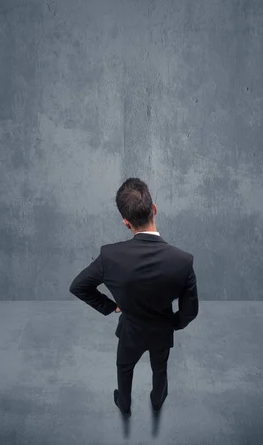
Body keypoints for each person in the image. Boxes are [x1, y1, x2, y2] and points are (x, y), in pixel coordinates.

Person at [69, 177, 199, 417]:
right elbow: (190, 311)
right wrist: (171, 324)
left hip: (130, 331)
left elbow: (78, 286)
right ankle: (158, 400)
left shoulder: (110, 256)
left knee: (124, 367)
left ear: (125, 222)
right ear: (155, 209)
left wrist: (112, 307)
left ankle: (125, 404)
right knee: (160, 368)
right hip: (161, 331)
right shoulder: (182, 260)